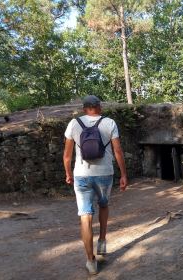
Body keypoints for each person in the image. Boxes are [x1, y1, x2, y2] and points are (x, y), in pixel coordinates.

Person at [63, 95, 128, 275]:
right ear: (99, 107)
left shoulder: (73, 124)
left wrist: (68, 173)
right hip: (105, 174)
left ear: (84, 109)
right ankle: (102, 240)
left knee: (85, 216)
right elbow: (118, 151)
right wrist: (123, 174)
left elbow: (67, 156)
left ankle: (91, 261)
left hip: (82, 175)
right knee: (104, 205)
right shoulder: (110, 123)